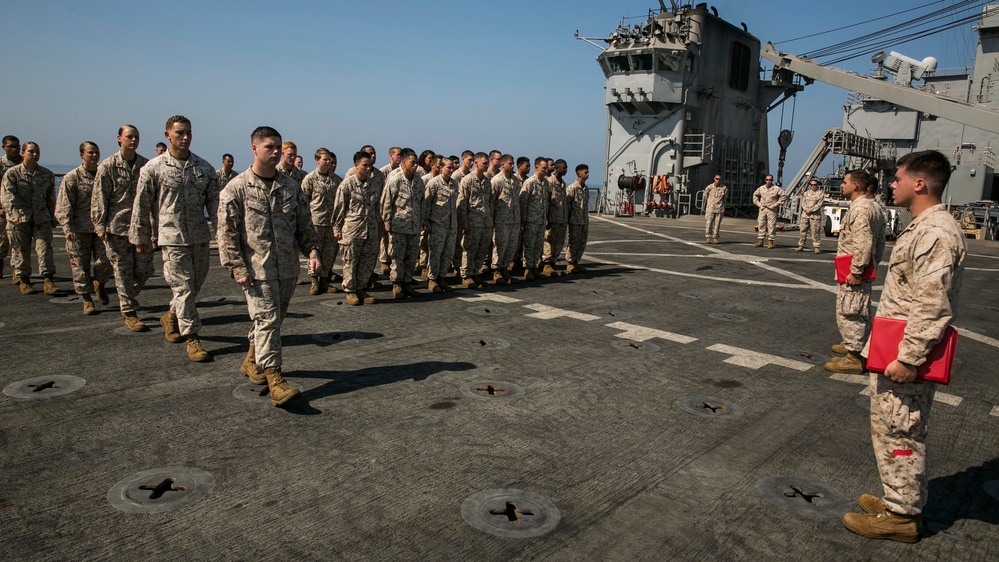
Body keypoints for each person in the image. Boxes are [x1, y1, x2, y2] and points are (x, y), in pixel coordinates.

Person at [842, 150, 966, 543]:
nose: (891, 184)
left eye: (897, 178)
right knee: (893, 429)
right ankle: (897, 499)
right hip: (895, 349)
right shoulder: (924, 226)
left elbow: (933, 304)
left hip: (905, 357)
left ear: (920, 184)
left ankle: (902, 516)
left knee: (901, 433)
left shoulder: (935, 233)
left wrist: (909, 359)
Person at [217, 126, 319, 406]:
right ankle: (275, 379)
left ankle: (252, 360)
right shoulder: (236, 188)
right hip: (256, 270)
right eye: (269, 147)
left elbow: (304, 224)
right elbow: (226, 234)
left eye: (277, 147)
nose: (275, 152)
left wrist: (312, 251)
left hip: (286, 268)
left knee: (273, 321)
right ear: (254, 149)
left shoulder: (290, 187)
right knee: (268, 321)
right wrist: (237, 268)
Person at [131, 115, 219, 362]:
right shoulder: (154, 168)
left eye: (189, 132)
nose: (185, 137)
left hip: (200, 238)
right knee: (182, 287)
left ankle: (170, 317)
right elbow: (142, 204)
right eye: (180, 132)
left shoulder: (204, 168)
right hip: (172, 237)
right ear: (167, 135)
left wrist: (223, 236)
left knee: (193, 287)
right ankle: (192, 337)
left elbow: (215, 206)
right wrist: (140, 237)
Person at [93, 124, 153, 332]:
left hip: (141, 227)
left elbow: (152, 199)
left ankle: (115, 289)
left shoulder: (146, 165)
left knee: (145, 269)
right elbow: (99, 197)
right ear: (119, 139)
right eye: (129, 137)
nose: (134, 140)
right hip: (116, 227)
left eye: (136, 136)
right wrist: (99, 225)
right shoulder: (108, 166)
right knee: (122, 270)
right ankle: (129, 312)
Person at [824, 170, 885, 375]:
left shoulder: (860, 210)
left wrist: (857, 271)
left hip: (854, 270)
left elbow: (864, 242)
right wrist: (873, 263)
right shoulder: (874, 208)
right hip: (860, 266)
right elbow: (880, 242)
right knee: (858, 308)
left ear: (856, 186)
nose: (842, 185)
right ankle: (852, 344)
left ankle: (854, 357)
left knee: (851, 310)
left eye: (845, 182)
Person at [56, 142, 111, 314]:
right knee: (80, 266)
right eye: (90, 153)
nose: (94, 156)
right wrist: (67, 228)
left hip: (101, 229)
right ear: (82, 155)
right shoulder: (72, 178)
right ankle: (87, 299)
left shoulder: (104, 175)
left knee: (105, 263)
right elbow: (64, 205)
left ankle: (100, 284)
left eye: (97, 152)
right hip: (79, 229)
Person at [1, 141, 59, 295]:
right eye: (31, 152)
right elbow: (7, 196)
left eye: (37, 152)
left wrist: (53, 215)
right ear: (23, 153)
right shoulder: (12, 174)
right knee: (21, 250)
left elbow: (50, 197)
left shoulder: (46, 174)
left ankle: (48, 280)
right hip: (20, 219)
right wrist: (14, 215)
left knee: (45, 249)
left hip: (41, 218)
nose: (34, 155)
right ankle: (24, 280)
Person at [333, 151, 380, 305]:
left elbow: (377, 207)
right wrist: (337, 228)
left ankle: (361, 288)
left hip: (370, 229)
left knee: (367, 261)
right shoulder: (347, 184)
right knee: (350, 262)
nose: (368, 168)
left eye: (370, 166)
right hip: (352, 230)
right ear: (356, 165)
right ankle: (350, 291)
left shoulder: (373, 184)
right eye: (364, 165)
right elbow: (340, 207)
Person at [381, 152, 425, 298]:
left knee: (411, 256)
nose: (415, 165)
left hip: (414, 226)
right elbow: (386, 203)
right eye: (412, 162)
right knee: (397, 257)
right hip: (398, 226)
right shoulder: (395, 180)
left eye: (416, 162)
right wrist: (387, 223)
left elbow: (421, 203)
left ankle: (407, 282)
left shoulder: (418, 180)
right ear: (403, 162)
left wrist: (422, 221)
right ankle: (397, 284)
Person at [300, 148, 342, 295]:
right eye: (325, 159)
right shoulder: (310, 179)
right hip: (315, 221)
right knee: (315, 253)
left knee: (329, 253)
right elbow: (303, 201)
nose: (328, 162)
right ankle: (314, 281)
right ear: (317, 160)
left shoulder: (336, 180)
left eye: (330, 159)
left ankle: (324, 279)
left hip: (331, 223)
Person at [423, 156, 459, 293]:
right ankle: (432, 279)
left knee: (448, 253)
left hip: (451, 223)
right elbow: (427, 203)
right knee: (435, 253)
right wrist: (427, 222)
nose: (451, 169)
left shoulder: (455, 184)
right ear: (441, 168)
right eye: (448, 167)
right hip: (438, 223)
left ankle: (441, 278)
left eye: (452, 167)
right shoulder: (434, 183)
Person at [457, 152, 493, 288]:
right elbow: (462, 203)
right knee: (469, 249)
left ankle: (475, 272)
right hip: (472, 221)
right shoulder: (467, 180)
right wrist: (464, 221)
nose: (487, 165)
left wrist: (491, 220)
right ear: (476, 163)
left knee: (482, 249)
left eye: (487, 163)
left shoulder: (487, 181)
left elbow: (490, 202)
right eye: (484, 163)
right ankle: (466, 275)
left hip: (485, 222)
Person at [490, 154, 521, 284]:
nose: (512, 166)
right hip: (501, 220)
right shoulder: (496, 181)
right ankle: (497, 271)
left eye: (513, 163)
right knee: (500, 246)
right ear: (502, 165)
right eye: (510, 164)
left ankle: (505, 269)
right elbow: (491, 201)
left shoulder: (515, 181)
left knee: (511, 246)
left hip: (514, 220)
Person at [519, 157, 550, 280]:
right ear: (537, 168)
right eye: (544, 168)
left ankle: (534, 267)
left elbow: (545, 202)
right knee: (529, 245)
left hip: (541, 220)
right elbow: (523, 201)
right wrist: (524, 218)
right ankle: (527, 269)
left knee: (538, 246)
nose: (546, 170)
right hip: (531, 220)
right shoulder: (530, 182)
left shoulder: (545, 183)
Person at [0, 135, 24, 279]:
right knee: (2, 241)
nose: (14, 149)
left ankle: (18, 271)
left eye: (17, 146)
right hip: (3, 208)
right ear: (4, 147)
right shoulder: (1, 164)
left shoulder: (24, 162)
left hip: (21, 209)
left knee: (19, 242)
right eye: (11, 146)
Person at [542, 158, 569, 276]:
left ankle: (553, 262)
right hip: (552, 218)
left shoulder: (563, 184)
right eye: (563, 167)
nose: (566, 170)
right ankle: (546, 264)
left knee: (559, 242)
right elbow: (546, 201)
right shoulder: (549, 181)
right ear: (557, 168)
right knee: (548, 241)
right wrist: (546, 217)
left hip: (561, 219)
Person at [565, 164, 590, 273]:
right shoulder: (572, 188)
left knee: (582, 242)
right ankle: (570, 263)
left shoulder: (586, 189)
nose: (588, 174)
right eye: (586, 172)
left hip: (584, 220)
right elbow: (567, 205)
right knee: (573, 242)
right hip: (574, 221)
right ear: (579, 174)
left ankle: (576, 262)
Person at [753, 174, 786, 248]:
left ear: (772, 180)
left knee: (771, 226)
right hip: (763, 208)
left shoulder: (776, 188)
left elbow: (784, 196)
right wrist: (758, 204)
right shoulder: (761, 188)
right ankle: (760, 240)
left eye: (770, 180)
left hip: (771, 209)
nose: (768, 181)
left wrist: (776, 204)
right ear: (765, 180)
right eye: (767, 180)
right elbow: (755, 195)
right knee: (761, 224)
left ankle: (770, 241)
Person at [796, 179, 825, 253]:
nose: (813, 186)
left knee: (815, 231)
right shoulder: (806, 193)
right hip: (805, 214)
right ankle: (801, 245)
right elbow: (803, 202)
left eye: (815, 185)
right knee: (802, 230)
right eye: (811, 185)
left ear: (817, 185)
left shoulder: (820, 194)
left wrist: (811, 210)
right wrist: (806, 209)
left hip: (814, 215)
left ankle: (816, 247)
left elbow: (819, 204)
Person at [703, 174, 727, 244]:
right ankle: (708, 237)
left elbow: (725, 197)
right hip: (710, 208)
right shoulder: (709, 187)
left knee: (717, 224)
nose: (718, 180)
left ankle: (715, 237)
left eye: (719, 179)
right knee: (709, 223)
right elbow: (705, 196)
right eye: (717, 179)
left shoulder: (724, 188)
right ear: (714, 179)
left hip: (719, 208)